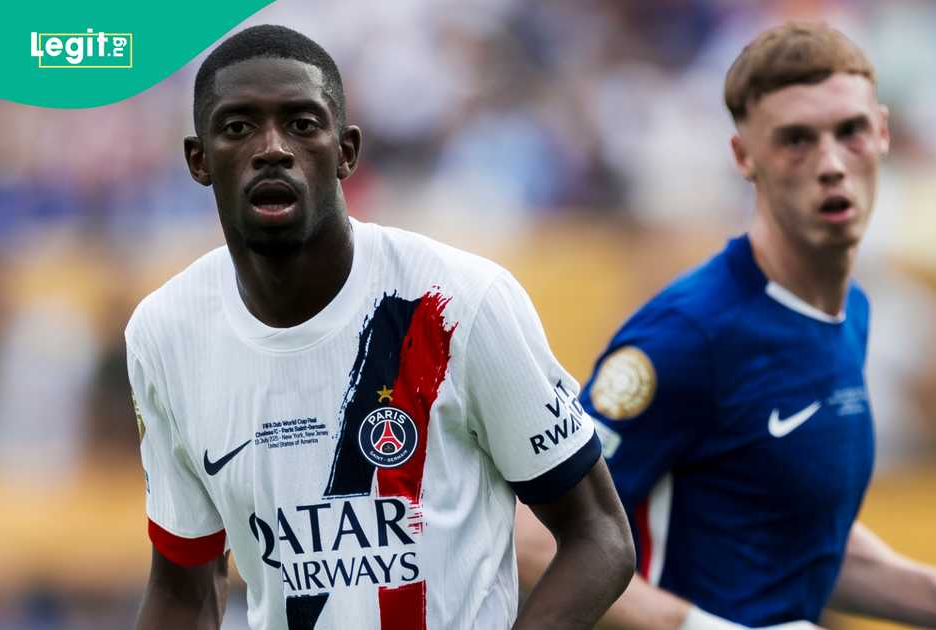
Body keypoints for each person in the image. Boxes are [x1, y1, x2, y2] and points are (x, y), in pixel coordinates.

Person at [127, 25, 633, 630]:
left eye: (302, 124)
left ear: (346, 152)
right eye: (238, 127)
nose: (272, 148)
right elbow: (184, 585)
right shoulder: (166, 332)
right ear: (198, 160)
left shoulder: (462, 301)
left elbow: (599, 535)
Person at [516, 22, 936, 630]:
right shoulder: (688, 335)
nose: (831, 164)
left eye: (851, 132)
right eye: (796, 139)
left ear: (883, 133)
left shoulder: (854, 315)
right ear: (745, 157)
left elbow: (800, 535)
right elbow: (535, 537)